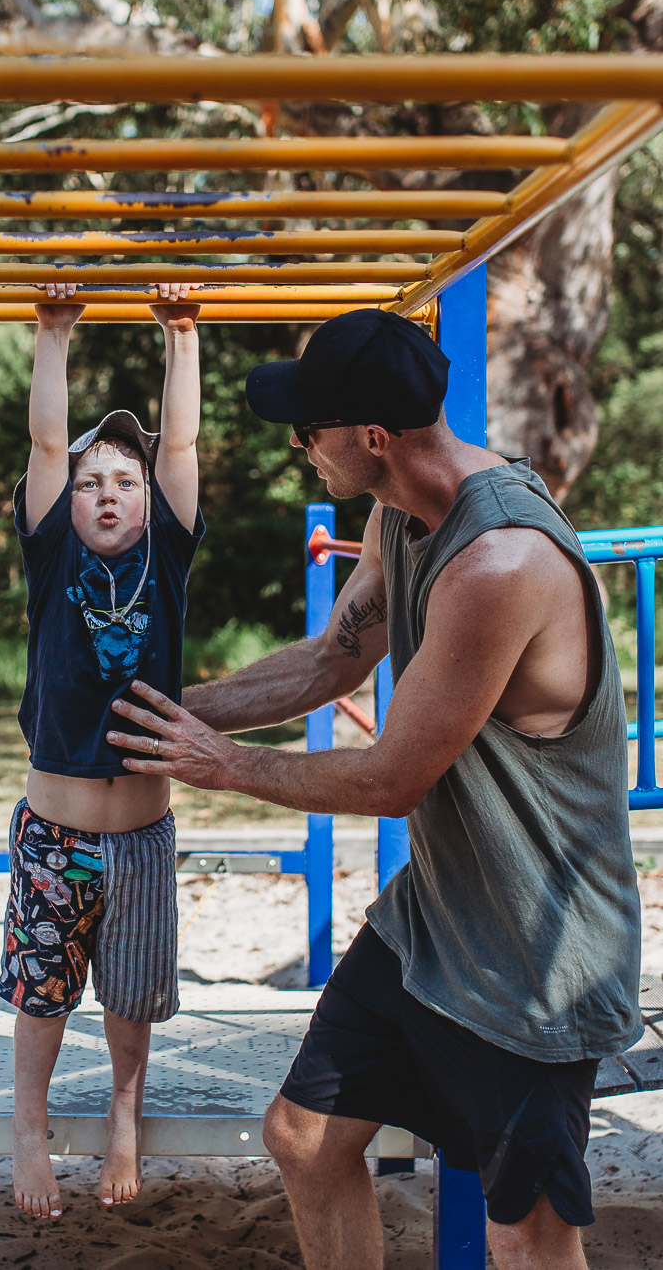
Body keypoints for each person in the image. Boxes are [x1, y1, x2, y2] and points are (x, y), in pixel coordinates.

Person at [107, 308, 642, 1270]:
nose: (300, 447)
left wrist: (217, 765)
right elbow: (326, 666)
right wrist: (162, 710)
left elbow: (393, 776)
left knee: (527, 1233)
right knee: (306, 1138)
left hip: (534, 952)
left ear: (372, 437)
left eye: (310, 430)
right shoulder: (400, 512)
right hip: (432, 921)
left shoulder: (499, 563)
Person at [0, 284, 203, 1222]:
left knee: (129, 995)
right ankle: (30, 1126)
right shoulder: (53, 563)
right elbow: (48, 442)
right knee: (44, 997)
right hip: (56, 837)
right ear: (63, 504)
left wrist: (182, 335)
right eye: (91, 483)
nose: (109, 492)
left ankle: (125, 1109)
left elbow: (181, 448)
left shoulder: (166, 557)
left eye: (124, 480)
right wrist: (51, 336)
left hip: (143, 840)